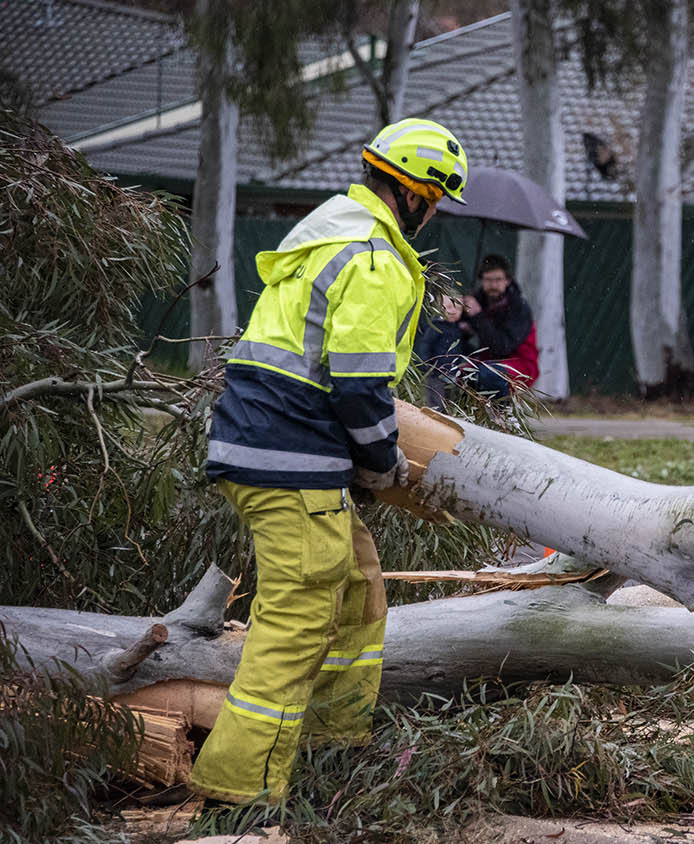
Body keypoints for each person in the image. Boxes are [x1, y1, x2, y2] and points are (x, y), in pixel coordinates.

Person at [193, 117, 468, 804]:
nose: (432, 216)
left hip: (275, 444)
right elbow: (357, 381)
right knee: (300, 617)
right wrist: (382, 466)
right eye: (434, 200)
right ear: (415, 193)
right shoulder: (373, 255)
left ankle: (333, 746)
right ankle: (238, 794)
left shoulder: (335, 226)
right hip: (284, 452)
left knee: (358, 583)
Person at [456, 253, 539, 397]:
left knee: (490, 374)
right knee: (457, 374)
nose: (493, 285)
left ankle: (505, 413)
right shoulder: (477, 301)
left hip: (520, 364)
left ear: (507, 280)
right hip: (486, 362)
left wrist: (477, 316)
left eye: (498, 280)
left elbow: (502, 347)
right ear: (481, 280)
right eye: (488, 280)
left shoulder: (519, 308)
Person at [414, 294, 466, 409]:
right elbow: (425, 345)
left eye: (458, 308)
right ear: (439, 308)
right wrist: (426, 365)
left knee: (450, 399)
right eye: (449, 306)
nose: (453, 311)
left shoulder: (456, 327)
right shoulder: (436, 327)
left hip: (452, 372)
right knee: (436, 399)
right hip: (435, 372)